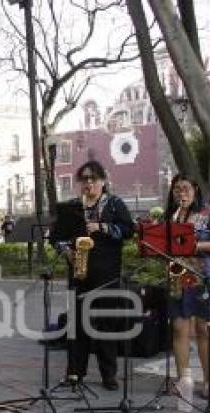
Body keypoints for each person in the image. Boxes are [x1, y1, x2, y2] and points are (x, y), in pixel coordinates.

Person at [55, 160, 134, 391]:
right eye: (85, 179)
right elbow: (56, 236)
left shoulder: (114, 204)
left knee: (104, 323)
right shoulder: (71, 206)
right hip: (78, 272)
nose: (89, 183)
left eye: (94, 178)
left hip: (106, 273)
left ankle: (108, 374)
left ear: (103, 181)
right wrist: (65, 250)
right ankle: (74, 372)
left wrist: (103, 228)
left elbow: (129, 230)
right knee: (76, 323)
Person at [164, 174, 210, 398]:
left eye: (185, 189)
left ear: (195, 190)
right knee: (179, 329)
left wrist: (196, 244)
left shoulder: (209, 212)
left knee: (203, 329)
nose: (181, 193)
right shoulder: (171, 215)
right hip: (179, 276)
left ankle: (209, 382)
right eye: (176, 190)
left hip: (206, 276)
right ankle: (184, 381)